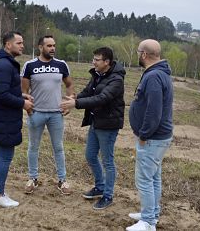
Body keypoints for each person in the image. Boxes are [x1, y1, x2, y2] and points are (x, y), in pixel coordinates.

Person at [60, 47, 125, 210]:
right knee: (90, 155)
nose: (93, 62)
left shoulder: (116, 80)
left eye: (96, 59)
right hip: (96, 121)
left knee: (107, 161)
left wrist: (76, 104)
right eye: (93, 59)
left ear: (106, 62)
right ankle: (100, 186)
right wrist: (75, 98)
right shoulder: (97, 75)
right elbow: (88, 92)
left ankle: (108, 195)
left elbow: (102, 98)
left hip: (109, 124)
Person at [0, 31, 34, 208]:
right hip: (4, 118)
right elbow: (1, 94)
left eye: (22, 42)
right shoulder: (5, 65)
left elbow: (4, 89)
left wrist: (21, 94)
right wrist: (23, 104)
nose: (22, 46)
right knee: (6, 154)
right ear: (8, 45)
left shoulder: (4, 62)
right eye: (19, 43)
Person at [126, 39, 173, 231]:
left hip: (152, 138)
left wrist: (144, 134)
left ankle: (147, 222)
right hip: (158, 137)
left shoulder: (153, 76)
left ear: (144, 54)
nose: (138, 55)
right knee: (153, 177)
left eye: (138, 52)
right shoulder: (160, 73)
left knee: (144, 179)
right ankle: (151, 213)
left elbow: (154, 111)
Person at [21, 35, 74, 195]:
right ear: (40, 47)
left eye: (54, 45)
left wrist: (70, 100)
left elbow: (69, 84)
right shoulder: (30, 65)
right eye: (49, 46)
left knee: (58, 147)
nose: (52, 48)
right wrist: (28, 109)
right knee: (33, 147)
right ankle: (32, 178)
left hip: (56, 115)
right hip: (36, 113)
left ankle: (62, 180)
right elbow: (23, 91)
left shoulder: (61, 65)